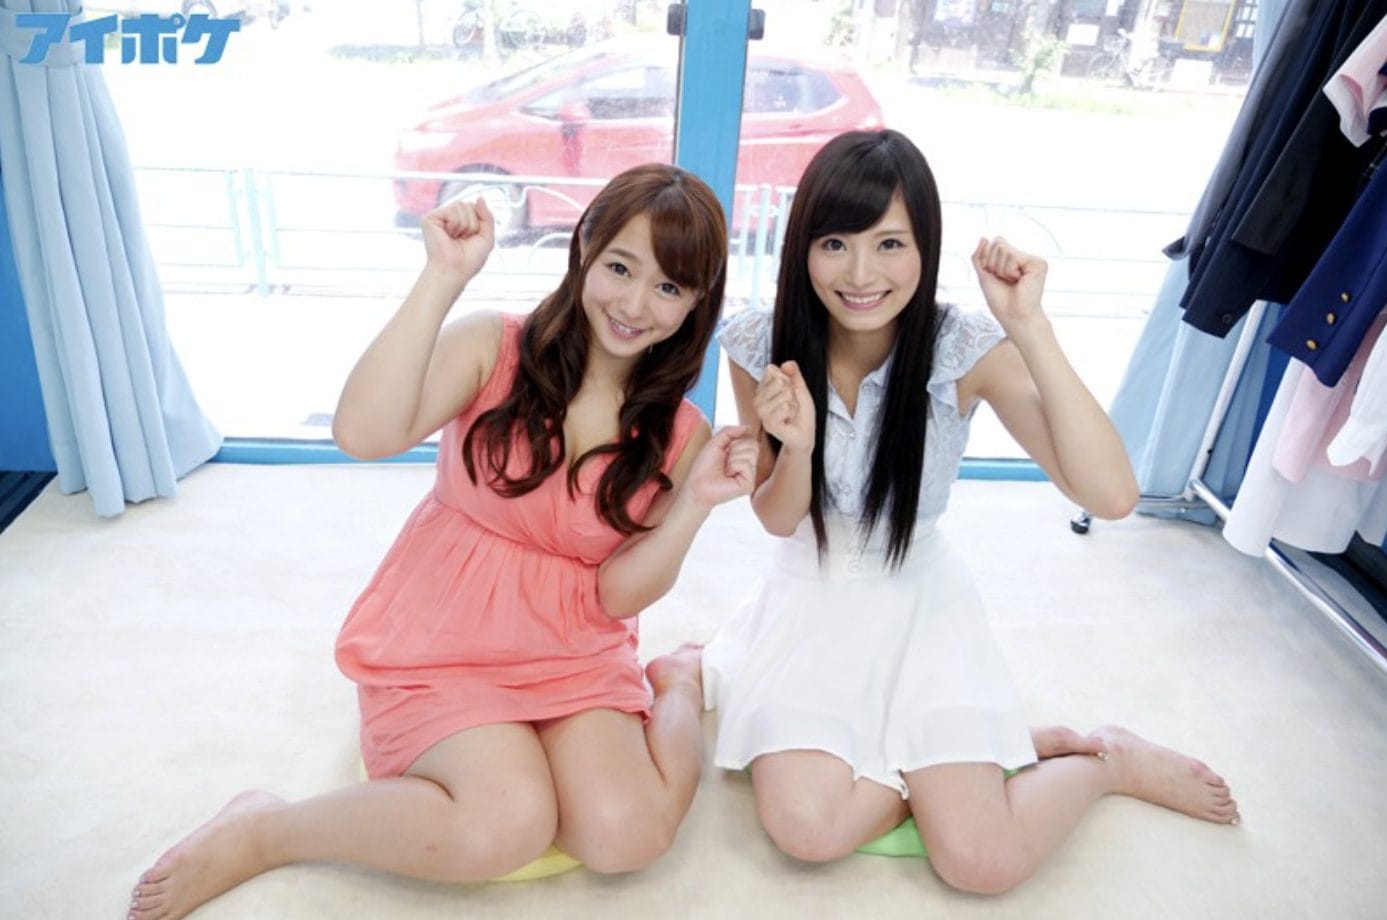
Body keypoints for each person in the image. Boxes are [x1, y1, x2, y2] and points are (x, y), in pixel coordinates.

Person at [130, 164, 758, 920]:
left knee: (630, 835)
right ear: (584, 249)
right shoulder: (495, 346)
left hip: (573, 650)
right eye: (620, 268)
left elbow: (620, 592)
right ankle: (266, 829)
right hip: (444, 639)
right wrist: (442, 278)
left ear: (695, 301)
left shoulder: (680, 432)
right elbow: (363, 433)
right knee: (508, 822)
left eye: (667, 287)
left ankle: (678, 684)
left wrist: (696, 503)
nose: (633, 304)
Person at [703, 129, 1239, 894]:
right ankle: (991, 748)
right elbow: (777, 520)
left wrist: (1028, 326)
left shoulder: (962, 348)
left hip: (922, 605)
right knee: (807, 831)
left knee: (982, 864)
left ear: (925, 247)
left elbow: (1111, 496)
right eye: (835, 244)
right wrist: (796, 448)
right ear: (803, 249)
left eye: (889, 244)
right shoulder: (760, 342)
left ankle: (1106, 761)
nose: (860, 274)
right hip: (810, 597)